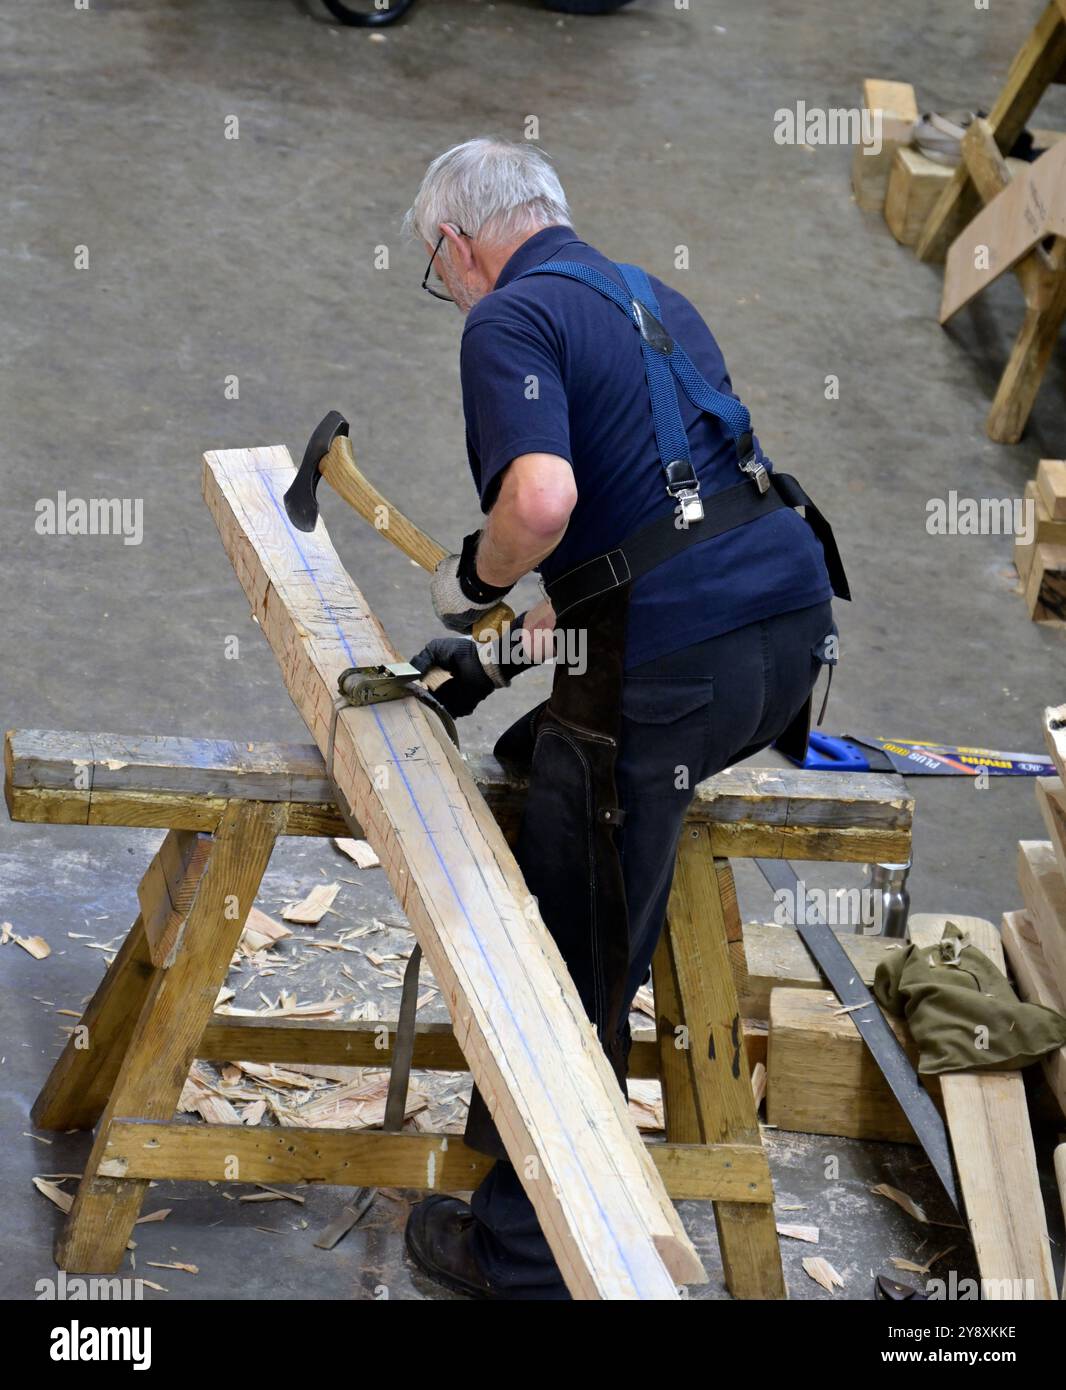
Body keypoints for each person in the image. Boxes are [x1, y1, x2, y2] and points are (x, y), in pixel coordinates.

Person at [401, 137, 849, 1299]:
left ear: (458, 244)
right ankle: (604, 823)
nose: (444, 287)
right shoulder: (650, 294)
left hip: (674, 673)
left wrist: (483, 578)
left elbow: (542, 504)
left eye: (433, 265)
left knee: (572, 956)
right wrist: (497, 660)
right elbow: (657, 528)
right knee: (538, 757)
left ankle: (527, 1260)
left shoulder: (504, 321)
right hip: (787, 641)